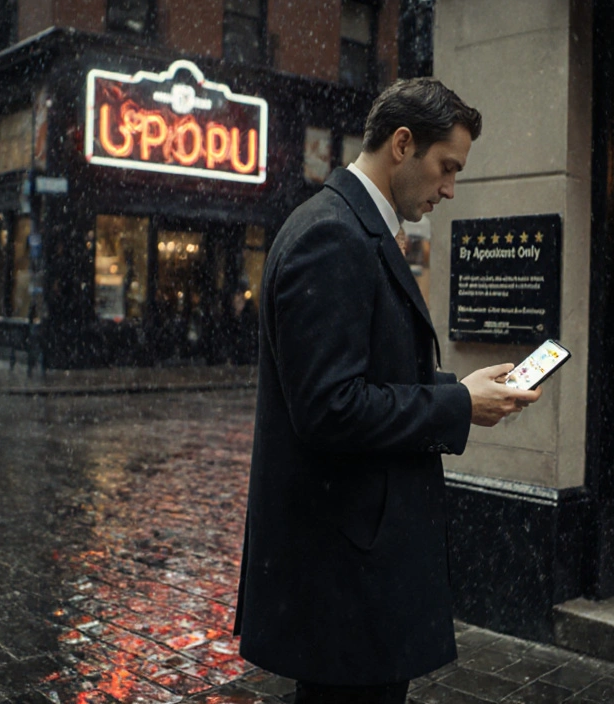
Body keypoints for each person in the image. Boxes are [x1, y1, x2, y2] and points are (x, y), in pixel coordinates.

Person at [232, 78, 541, 703]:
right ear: (403, 144)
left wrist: (460, 391)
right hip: (344, 575)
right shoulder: (333, 235)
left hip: (349, 569)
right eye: (447, 167)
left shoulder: (346, 225)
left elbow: (366, 375)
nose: (450, 189)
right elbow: (330, 408)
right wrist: (455, 406)